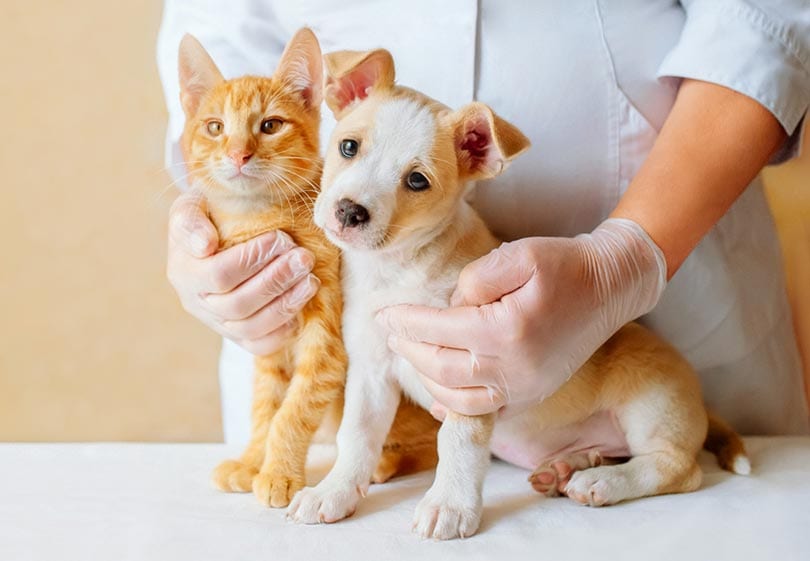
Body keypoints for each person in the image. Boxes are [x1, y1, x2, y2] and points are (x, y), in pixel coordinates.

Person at [157, 0, 810, 446]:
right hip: (328, 336)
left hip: (677, 273)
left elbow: (764, 18)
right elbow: (217, 46)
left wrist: (629, 258)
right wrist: (213, 218)